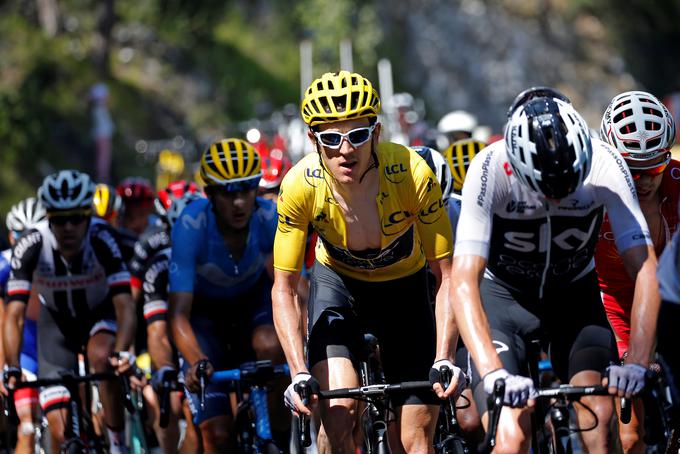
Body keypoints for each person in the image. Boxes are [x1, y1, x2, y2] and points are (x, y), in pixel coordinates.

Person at [451, 93, 659, 454]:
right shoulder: (487, 168)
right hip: (503, 301)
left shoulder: (605, 163)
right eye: (546, 187)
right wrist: (492, 371)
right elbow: (464, 281)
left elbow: (644, 267)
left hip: (573, 298)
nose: (557, 198)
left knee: (601, 417)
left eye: (568, 183)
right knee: (511, 438)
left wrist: (639, 362)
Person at [274, 70, 465, 453]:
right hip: (338, 289)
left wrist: (445, 355)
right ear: (313, 140)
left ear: (376, 133)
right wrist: (297, 370)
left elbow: (447, 276)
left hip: (404, 291)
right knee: (339, 413)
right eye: (331, 139)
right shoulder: (299, 186)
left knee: (414, 442)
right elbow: (285, 287)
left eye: (358, 135)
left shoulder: (412, 174)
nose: (346, 150)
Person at [2, 170, 136, 454]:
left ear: (89, 215)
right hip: (56, 328)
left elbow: (124, 305)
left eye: (77, 218)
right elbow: (14, 313)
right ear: (48, 218)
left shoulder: (103, 238)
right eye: (60, 220)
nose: (68, 227)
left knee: (103, 356)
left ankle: (116, 443)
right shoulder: (31, 244)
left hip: (98, 316)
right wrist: (11, 365)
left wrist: (122, 350)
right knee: (63, 436)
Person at [168, 138, 285, 453]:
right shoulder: (191, 225)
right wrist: (196, 361)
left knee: (272, 344)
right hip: (207, 324)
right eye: (228, 193)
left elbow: (289, 288)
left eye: (247, 190)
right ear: (209, 194)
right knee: (217, 437)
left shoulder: (268, 218)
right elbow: (178, 313)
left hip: (253, 312)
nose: (239, 203)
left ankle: (277, 438)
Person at [596, 90, 678, 453]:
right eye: (633, 170)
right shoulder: (594, 191)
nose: (645, 180)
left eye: (655, 168)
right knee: (630, 439)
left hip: (673, 300)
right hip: (618, 306)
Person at [143, 190, 203, 453]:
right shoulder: (159, 267)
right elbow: (158, 331)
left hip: (216, 338)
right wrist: (166, 368)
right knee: (186, 417)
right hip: (178, 344)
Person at [1, 197, 46, 453]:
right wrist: (6, 366)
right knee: (28, 426)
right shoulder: (5, 265)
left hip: (56, 351)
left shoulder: (57, 259)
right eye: (20, 234)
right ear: (11, 237)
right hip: (23, 355)